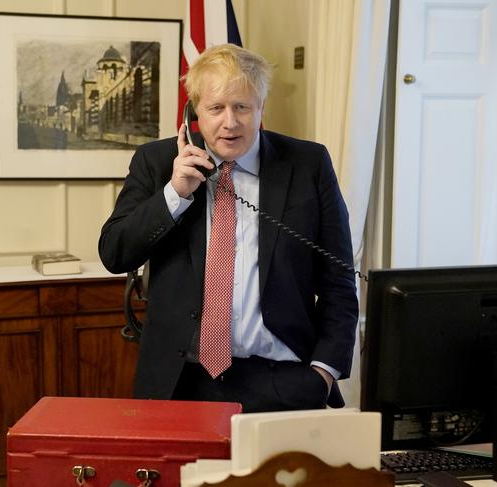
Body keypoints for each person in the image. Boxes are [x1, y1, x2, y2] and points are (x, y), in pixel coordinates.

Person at [98, 43, 358, 413]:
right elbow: (114, 252)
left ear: (261, 109)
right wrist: (175, 194)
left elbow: (339, 277)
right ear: (194, 114)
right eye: (216, 108)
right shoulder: (156, 163)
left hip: (285, 379)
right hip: (181, 381)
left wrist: (324, 371)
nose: (230, 122)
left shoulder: (307, 164)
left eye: (242, 107)